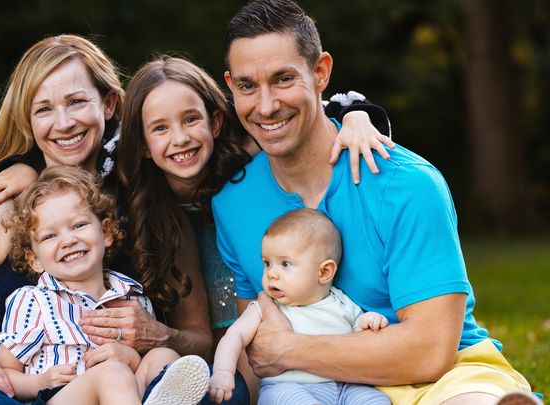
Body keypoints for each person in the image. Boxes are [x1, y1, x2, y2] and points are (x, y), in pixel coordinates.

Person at [211, 1, 536, 404]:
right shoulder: (233, 205)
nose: (265, 105)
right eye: (247, 86)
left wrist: (289, 350)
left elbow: (430, 351)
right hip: (310, 388)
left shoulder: (408, 185)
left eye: (283, 79)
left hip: (445, 378)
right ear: (231, 86)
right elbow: (259, 350)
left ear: (320, 72)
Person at [0, 34, 212, 404]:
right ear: (28, 121)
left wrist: (160, 336)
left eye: (77, 101)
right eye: (44, 110)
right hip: (23, 395)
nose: (63, 123)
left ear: (108, 104)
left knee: (221, 387)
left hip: (127, 389)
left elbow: (200, 339)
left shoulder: (150, 204)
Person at [116, 55, 393, 403]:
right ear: (142, 144)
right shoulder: (142, 202)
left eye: (190, 120)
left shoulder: (253, 150)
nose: (181, 138)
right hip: (218, 353)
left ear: (216, 122)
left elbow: (317, 114)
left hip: (276, 340)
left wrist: (357, 117)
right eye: (160, 128)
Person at [0, 165, 210, 404]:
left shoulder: (132, 299)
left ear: (106, 232)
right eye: (49, 236)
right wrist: (40, 382)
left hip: (122, 396)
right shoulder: (34, 301)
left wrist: (132, 358)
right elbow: (5, 372)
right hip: (61, 397)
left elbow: (138, 365)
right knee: (112, 373)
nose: (68, 240)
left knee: (163, 356)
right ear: (34, 259)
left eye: (78, 225)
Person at [208, 209, 390, 405]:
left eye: (285, 264)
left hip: (344, 385)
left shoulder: (342, 302)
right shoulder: (265, 308)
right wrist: (223, 372)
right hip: (290, 386)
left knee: (374, 399)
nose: (271, 274)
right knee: (285, 397)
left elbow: (359, 338)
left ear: (324, 272)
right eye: (267, 263)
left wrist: (369, 321)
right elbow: (235, 336)